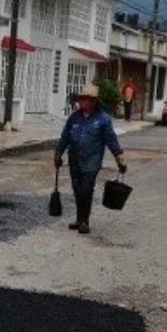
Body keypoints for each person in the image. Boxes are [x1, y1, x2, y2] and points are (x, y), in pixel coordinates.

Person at [55, 84, 127, 235]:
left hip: (92, 160)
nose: (82, 103)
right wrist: (58, 153)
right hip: (74, 159)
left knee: (86, 189)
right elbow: (65, 137)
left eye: (86, 100)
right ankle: (79, 218)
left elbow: (111, 140)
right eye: (81, 100)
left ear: (93, 101)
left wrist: (120, 159)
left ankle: (85, 222)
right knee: (76, 189)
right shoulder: (74, 117)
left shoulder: (103, 119)